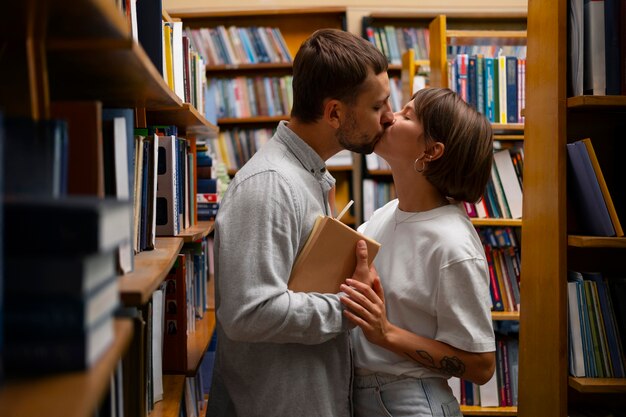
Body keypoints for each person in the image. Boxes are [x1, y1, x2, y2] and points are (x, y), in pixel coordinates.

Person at [207, 28, 395, 417]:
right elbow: (248, 313)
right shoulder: (270, 186)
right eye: (378, 107)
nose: (390, 118)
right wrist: (347, 309)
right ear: (334, 113)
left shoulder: (306, 175)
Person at [340, 87, 497, 417]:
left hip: (410, 403)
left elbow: (482, 366)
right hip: (360, 395)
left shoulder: (452, 243)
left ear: (431, 151)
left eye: (406, 116)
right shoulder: (385, 214)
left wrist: (387, 334)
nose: (388, 117)